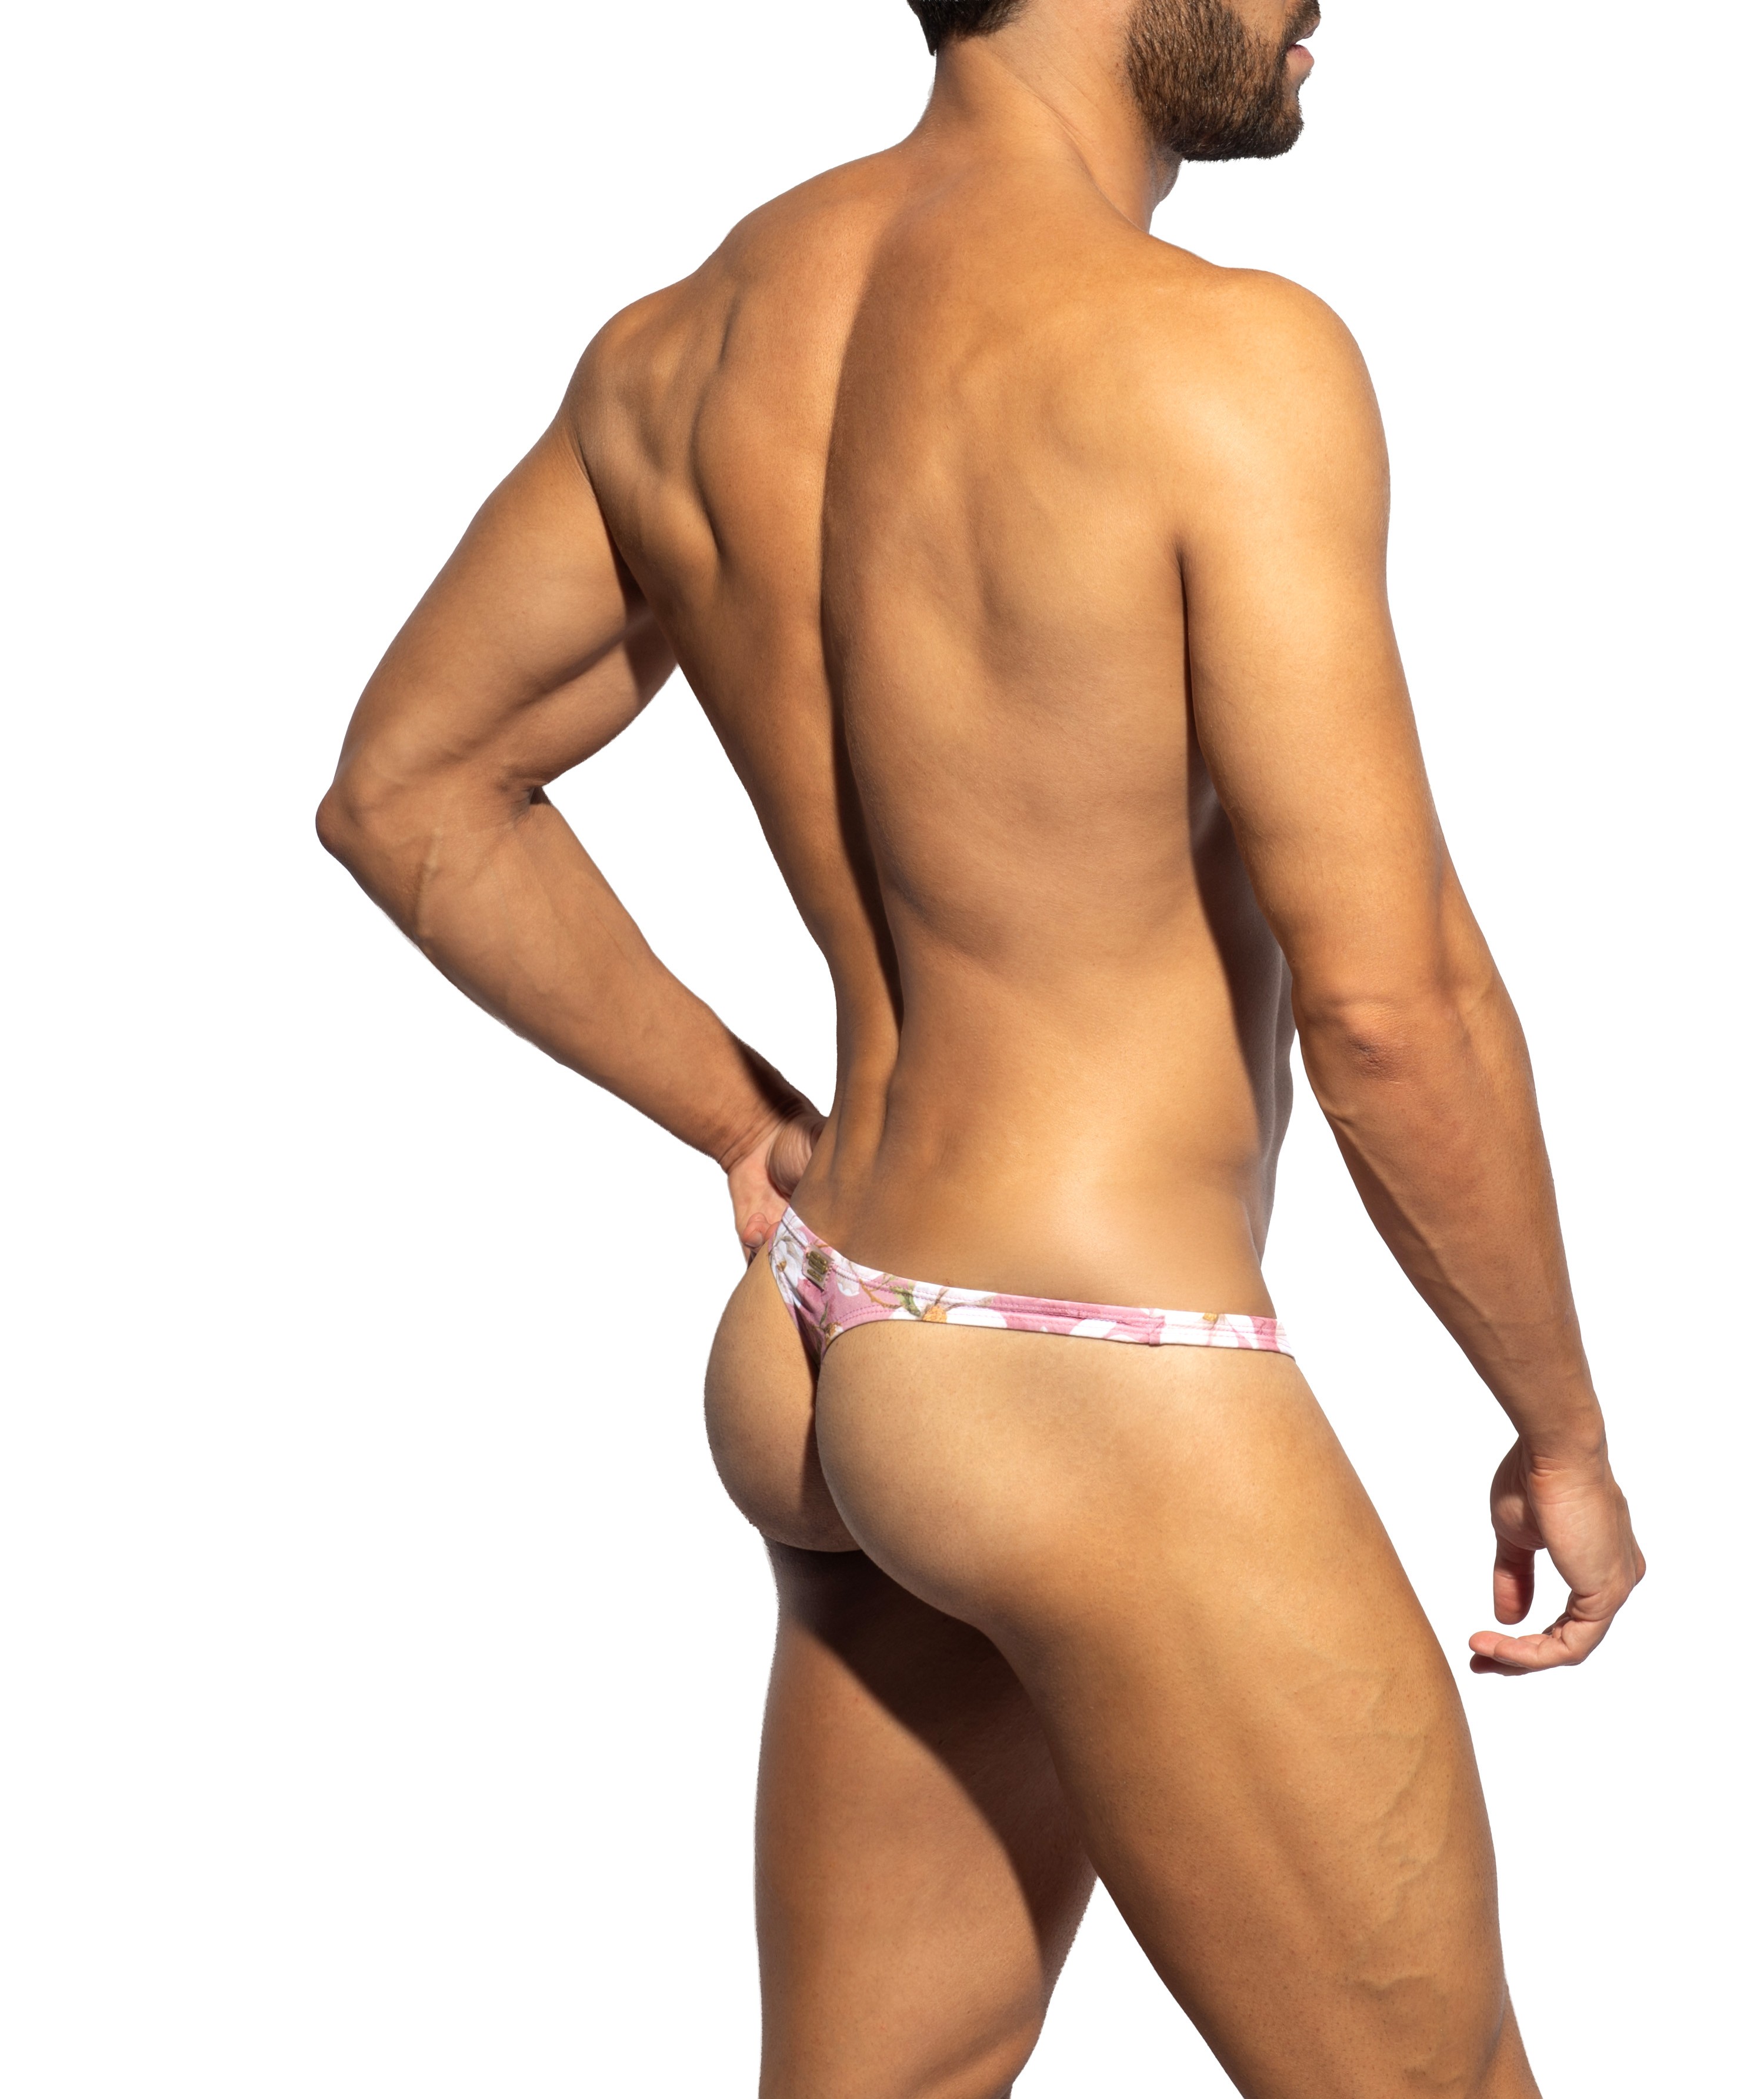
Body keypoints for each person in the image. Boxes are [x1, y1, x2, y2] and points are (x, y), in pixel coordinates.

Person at [318, 1, 1645, 2091]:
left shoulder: (684, 347)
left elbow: (408, 792)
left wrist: (746, 1123)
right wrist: (1556, 1420)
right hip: (1091, 1363)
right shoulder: (1215, 358)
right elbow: (1394, 1009)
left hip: (828, 1330)